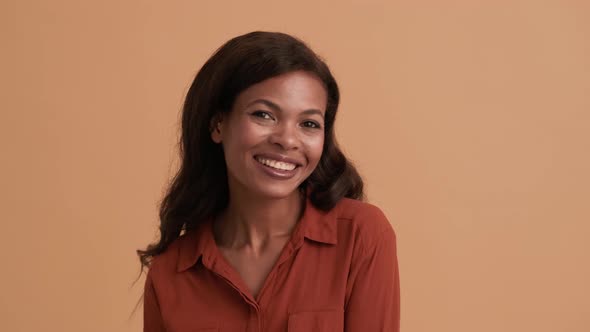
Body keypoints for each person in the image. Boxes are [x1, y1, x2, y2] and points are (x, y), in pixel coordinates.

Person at [138, 31, 400, 332]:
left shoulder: (361, 236)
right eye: (264, 115)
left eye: (309, 124)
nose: (288, 140)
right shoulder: (170, 272)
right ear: (217, 124)